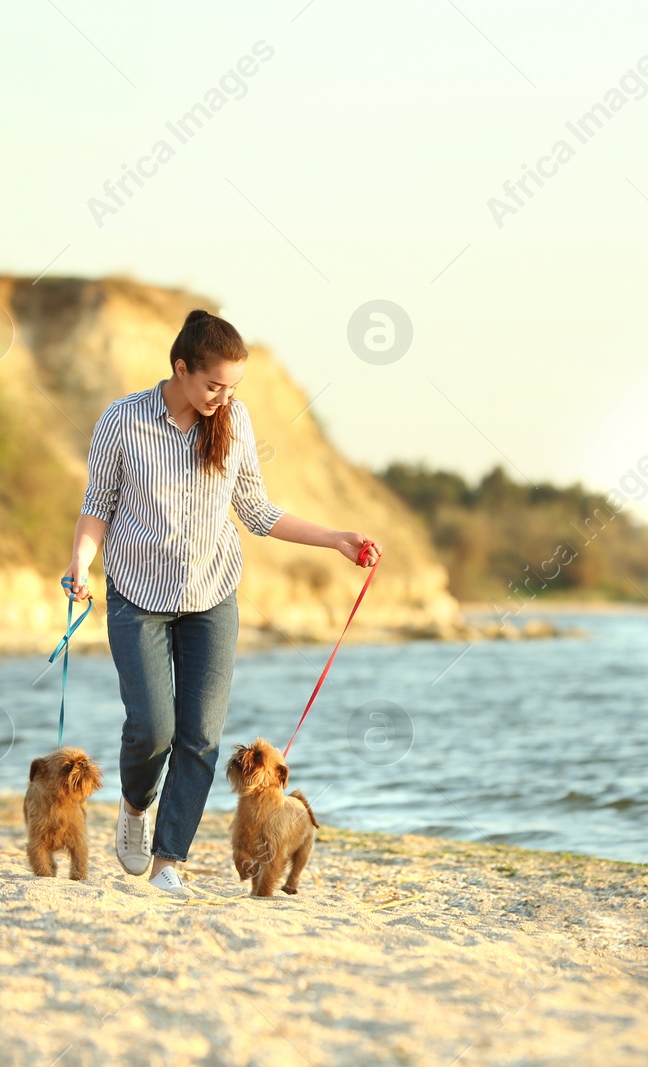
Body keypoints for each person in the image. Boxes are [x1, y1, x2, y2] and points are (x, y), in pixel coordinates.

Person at [62, 309, 382, 897]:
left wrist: (336, 538)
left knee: (201, 737)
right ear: (181, 369)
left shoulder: (232, 423)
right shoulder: (122, 421)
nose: (223, 396)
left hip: (213, 597)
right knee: (153, 729)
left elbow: (258, 511)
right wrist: (80, 566)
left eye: (233, 387)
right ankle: (135, 806)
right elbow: (96, 507)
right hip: (137, 597)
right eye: (214, 384)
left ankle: (168, 863)